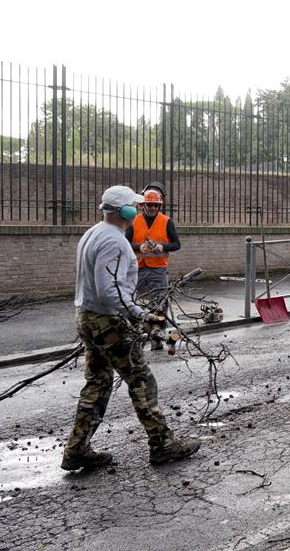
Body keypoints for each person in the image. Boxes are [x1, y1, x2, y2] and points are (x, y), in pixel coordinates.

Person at [63, 185, 200, 471]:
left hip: (87, 316)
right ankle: (162, 444)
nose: (138, 209)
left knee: (98, 382)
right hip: (107, 320)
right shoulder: (114, 241)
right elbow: (109, 290)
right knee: (141, 379)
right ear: (122, 210)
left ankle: (77, 449)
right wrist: (139, 314)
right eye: (134, 205)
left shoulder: (93, 233)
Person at [126, 188, 181, 302]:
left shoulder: (166, 221)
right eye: (150, 205)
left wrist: (162, 247)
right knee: (138, 302)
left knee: (161, 302)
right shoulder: (134, 221)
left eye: (156, 205)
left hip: (159, 270)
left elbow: (177, 244)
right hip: (138, 269)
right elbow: (125, 243)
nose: (153, 208)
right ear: (143, 205)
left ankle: (160, 320)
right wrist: (139, 247)